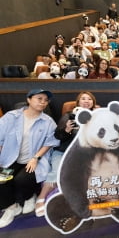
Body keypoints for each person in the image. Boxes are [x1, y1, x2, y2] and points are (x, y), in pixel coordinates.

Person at [0, 89, 59, 227]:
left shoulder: (48, 121)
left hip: (34, 160)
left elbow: (51, 142)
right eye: (39, 98)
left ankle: (28, 196)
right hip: (10, 158)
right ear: (29, 99)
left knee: (22, 180)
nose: (43, 102)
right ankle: (11, 207)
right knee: (1, 180)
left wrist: (35, 158)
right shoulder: (11, 117)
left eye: (46, 100)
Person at [34, 92, 97, 217]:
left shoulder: (96, 117)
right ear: (78, 102)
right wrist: (67, 130)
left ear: (93, 103)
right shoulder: (69, 116)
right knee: (57, 172)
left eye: (89, 99)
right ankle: (41, 198)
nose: (86, 101)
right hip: (63, 151)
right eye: (83, 99)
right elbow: (57, 136)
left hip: (84, 154)